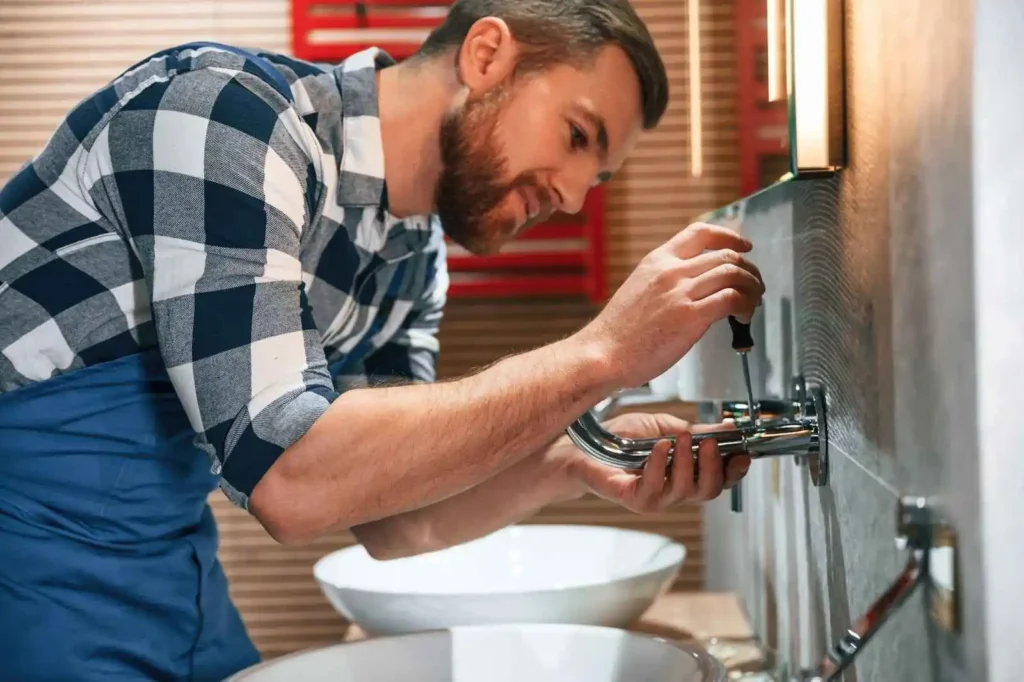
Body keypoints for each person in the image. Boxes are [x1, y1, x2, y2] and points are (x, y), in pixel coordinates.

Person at [0, 0, 764, 679]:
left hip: (165, 565)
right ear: (487, 54)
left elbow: (399, 518)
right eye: (575, 136)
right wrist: (605, 352)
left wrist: (574, 462)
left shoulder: (410, 261)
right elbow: (290, 479)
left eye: (593, 182)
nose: (568, 197)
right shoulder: (227, 116)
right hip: (22, 559)